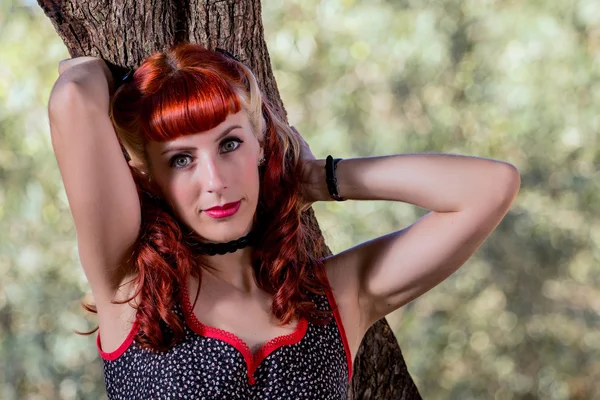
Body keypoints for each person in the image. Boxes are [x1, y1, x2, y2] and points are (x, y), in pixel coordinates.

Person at [47, 43, 520, 399]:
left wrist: (320, 178)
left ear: (259, 144)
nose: (214, 181)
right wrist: (112, 73)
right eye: (181, 160)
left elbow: (489, 188)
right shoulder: (132, 282)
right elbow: (72, 96)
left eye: (229, 144)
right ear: (150, 177)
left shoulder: (336, 297)